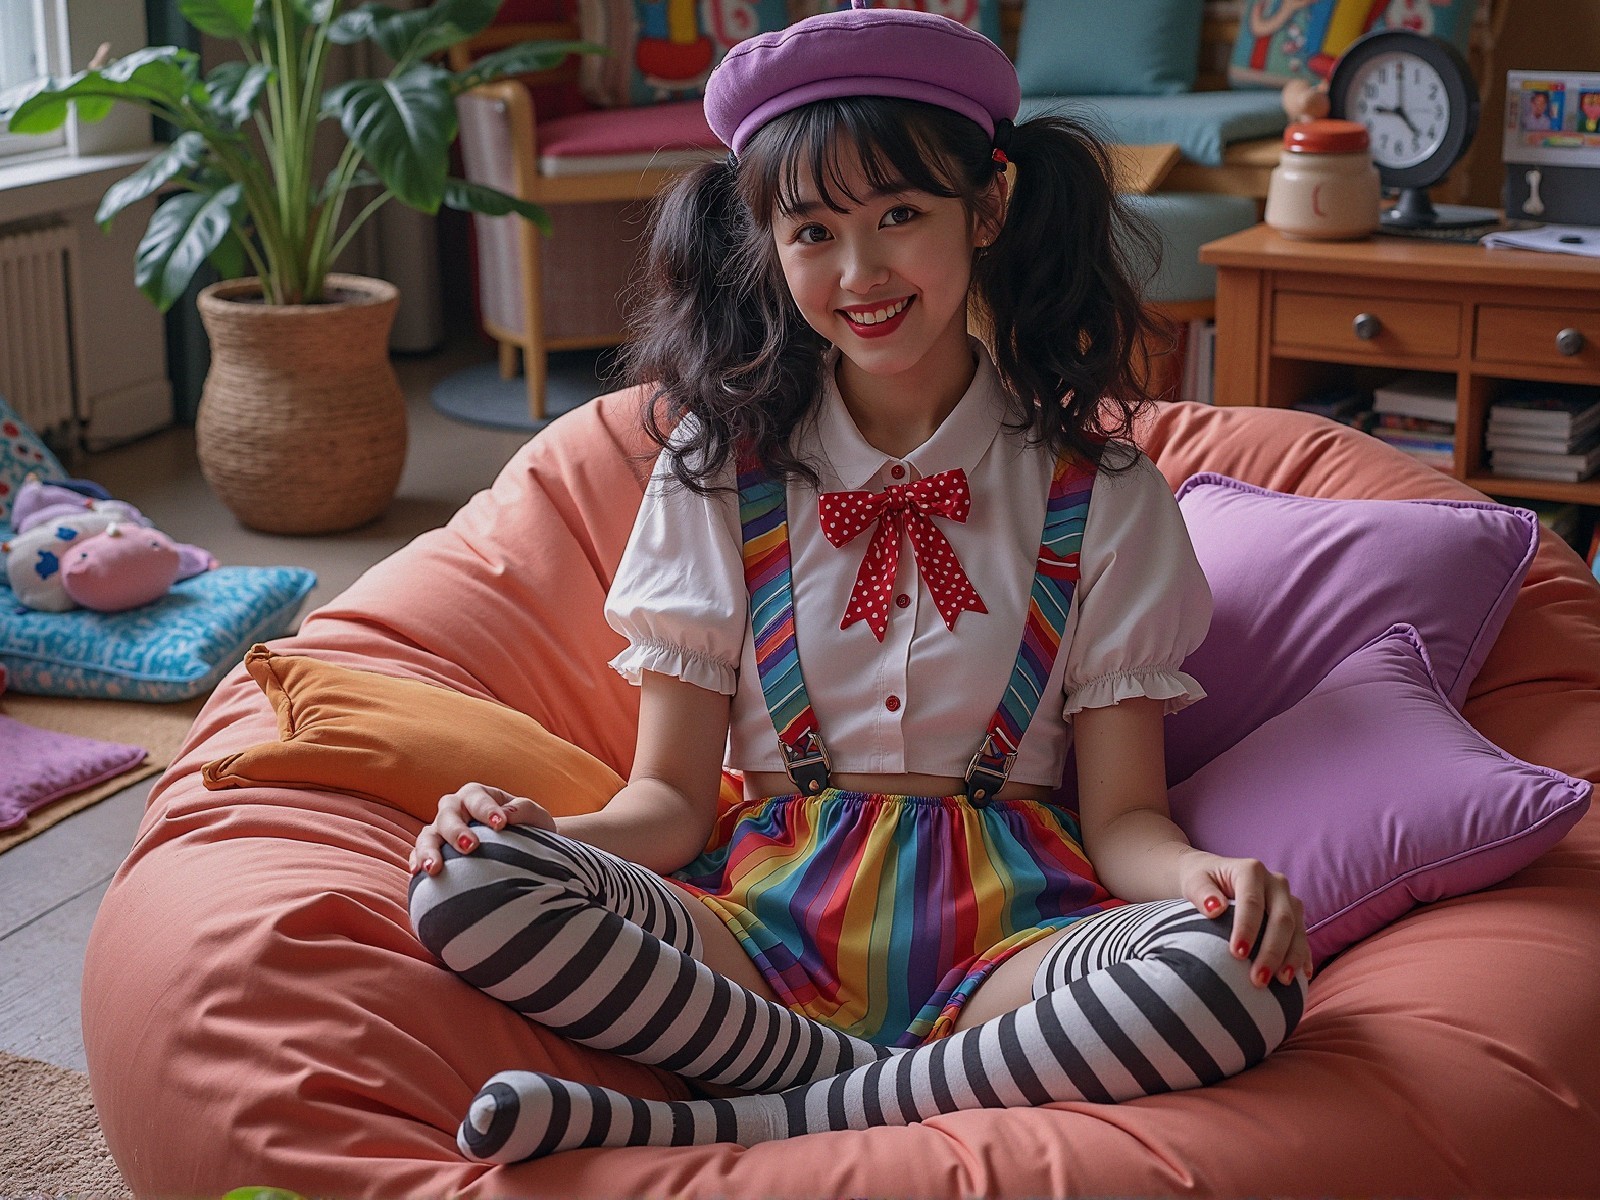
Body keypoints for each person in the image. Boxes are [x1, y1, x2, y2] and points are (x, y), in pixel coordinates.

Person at [407, 2, 1311, 1165]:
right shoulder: (715, 475)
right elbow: (669, 801)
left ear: (986, 208)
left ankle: (722, 1121)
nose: (860, 271)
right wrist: (538, 834)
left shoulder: (1102, 490)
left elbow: (1124, 818)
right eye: (813, 231)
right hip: (753, 931)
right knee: (463, 885)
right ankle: (887, 1095)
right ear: (766, 243)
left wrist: (1199, 878)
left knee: (1236, 972)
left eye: (900, 215)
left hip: (1016, 945)